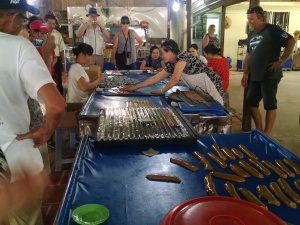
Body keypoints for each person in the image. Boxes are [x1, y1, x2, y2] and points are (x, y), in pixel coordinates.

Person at [0, 1, 65, 225]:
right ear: (11, 17)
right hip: (17, 164)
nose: (23, 26)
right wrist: (46, 132)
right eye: (22, 20)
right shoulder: (18, 46)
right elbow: (56, 104)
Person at [241, 6, 295, 135]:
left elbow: (291, 41)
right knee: (250, 102)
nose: (250, 21)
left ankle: (267, 132)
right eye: (248, 19)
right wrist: (245, 73)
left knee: (269, 104)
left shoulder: (272, 30)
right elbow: (249, 54)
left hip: (269, 74)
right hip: (255, 75)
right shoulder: (251, 33)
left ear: (261, 18)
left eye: (252, 19)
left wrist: (281, 61)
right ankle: (259, 129)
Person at [120, 39, 224, 105]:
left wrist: (162, 91)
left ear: (170, 52)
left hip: (212, 84)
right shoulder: (171, 64)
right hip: (201, 89)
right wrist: (134, 87)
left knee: (218, 107)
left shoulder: (183, 56)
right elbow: (155, 78)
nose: (162, 55)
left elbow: (175, 79)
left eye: (163, 53)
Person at [45, 13, 66, 95]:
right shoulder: (41, 34)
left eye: (54, 24)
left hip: (56, 60)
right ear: (45, 23)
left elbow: (61, 50)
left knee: (58, 82)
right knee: (47, 81)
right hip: (45, 60)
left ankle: (59, 99)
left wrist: (63, 64)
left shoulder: (57, 34)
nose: (52, 25)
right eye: (50, 23)